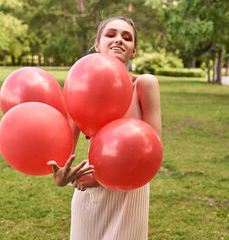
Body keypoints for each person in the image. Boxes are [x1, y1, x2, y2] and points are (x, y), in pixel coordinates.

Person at [47, 16, 162, 240]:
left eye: (126, 37)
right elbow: (64, 149)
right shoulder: (78, 86)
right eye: (111, 34)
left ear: (133, 51)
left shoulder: (144, 84)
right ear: (97, 45)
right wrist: (62, 176)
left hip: (130, 190)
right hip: (90, 194)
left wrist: (98, 178)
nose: (119, 40)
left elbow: (153, 151)